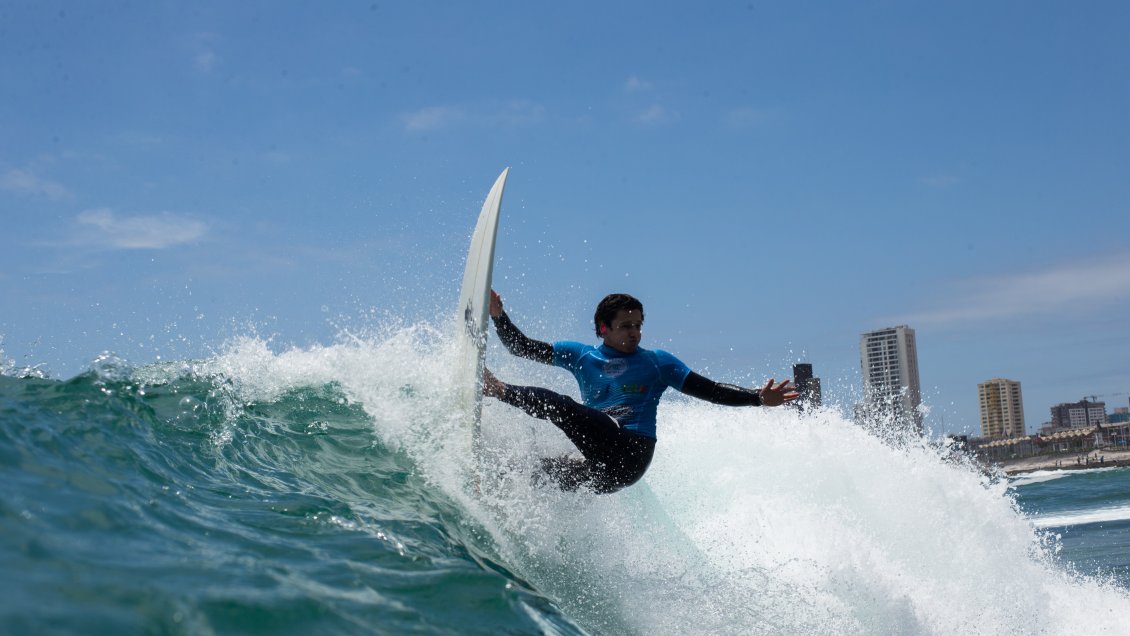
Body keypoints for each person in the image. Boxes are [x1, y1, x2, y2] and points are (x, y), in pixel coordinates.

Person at [482, 290, 797, 494]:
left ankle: (495, 388)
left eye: (638, 325)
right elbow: (520, 347)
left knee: (564, 407)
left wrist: (756, 397)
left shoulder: (657, 363)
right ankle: (489, 483)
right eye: (625, 326)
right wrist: (499, 316)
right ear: (603, 329)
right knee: (538, 472)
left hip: (632, 452)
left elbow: (711, 390)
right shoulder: (580, 356)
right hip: (601, 468)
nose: (634, 332)